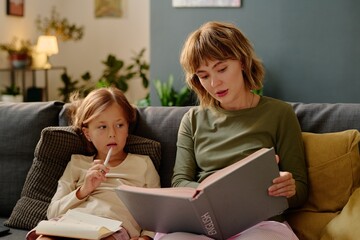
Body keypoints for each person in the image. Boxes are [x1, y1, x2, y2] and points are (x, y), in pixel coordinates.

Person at [155, 21, 308, 240]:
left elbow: (300, 189)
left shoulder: (280, 114)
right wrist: (218, 195)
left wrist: (287, 188)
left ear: (243, 62)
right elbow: (179, 182)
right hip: (202, 224)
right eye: (204, 75)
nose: (215, 83)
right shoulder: (192, 120)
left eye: (222, 69)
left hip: (259, 224)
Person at [27, 87, 160, 240]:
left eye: (119, 125)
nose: (112, 134)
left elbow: (156, 214)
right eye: (102, 127)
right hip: (72, 223)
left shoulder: (143, 164)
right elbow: (53, 212)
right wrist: (84, 189)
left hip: (113, 228)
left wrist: (146, 238)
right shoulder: (77, 163)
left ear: (128, 127)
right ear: (87, 133)